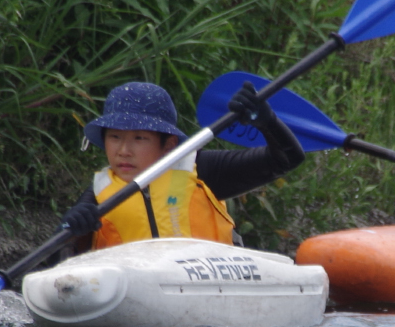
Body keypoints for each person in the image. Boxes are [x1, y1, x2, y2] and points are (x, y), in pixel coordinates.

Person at [57, 81, 304, 249]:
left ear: (168, 144)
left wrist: (267, 121)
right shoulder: (98, 194)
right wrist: (75, 231)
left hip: (210, 289)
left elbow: (286, 158)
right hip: (134, 294)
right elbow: (61, 260)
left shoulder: (202, 170)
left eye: (139, 138)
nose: (123, 151)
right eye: (115, 137)